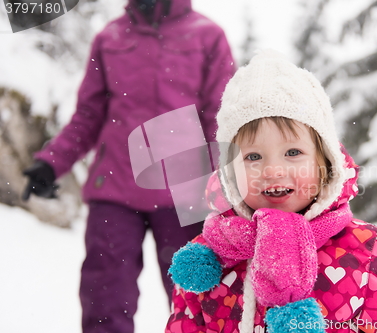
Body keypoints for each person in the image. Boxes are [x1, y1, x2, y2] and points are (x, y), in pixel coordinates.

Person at [165, 50, 377, 333]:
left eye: (292, 152)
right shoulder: (209, 260)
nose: (273, 170)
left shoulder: (363, 249)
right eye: (253, 157)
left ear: (325, 163)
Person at [21, 0, 235, 332]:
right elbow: (87, 117)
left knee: (199, 302)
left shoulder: (208, 36)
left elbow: (220, 119)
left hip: (184, 194)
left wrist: (226, 187)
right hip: (116, 189)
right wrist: (51, 163)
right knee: (104, 300)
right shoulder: (110, 38)